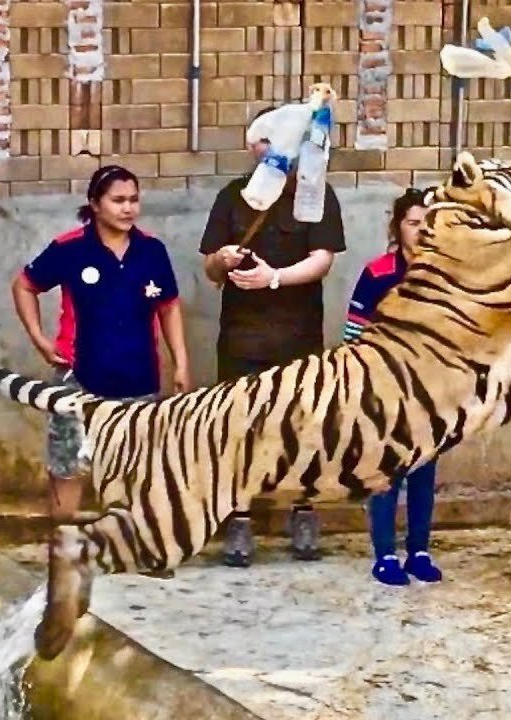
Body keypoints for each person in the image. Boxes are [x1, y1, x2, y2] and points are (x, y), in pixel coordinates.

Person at [199, 106, 348, 567]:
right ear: (255, 147)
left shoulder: (315, 195)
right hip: (242, 338)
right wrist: (223, 260)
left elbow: (323, 258)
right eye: (271, 144)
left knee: (303, 428)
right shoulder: (232, 197)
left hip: (297, 337)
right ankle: (239, 519)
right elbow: (208, 269)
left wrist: (275, 278)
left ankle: (302, 512)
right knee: (239, 428)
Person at [12, 164, 190, 524]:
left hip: (139, 380)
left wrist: (181, 363)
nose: (128, 208)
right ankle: (64, 548)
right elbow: (24, 286)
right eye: (118, 200)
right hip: (77, 381)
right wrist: (39, 339)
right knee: (68, 467)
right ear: (95, 204)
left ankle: (134, 548)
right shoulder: (69, 248)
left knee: (136, 471)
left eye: (134, 200)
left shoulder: (152, 250)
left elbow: (168, 307)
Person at [343, 188, 445, 585]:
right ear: (398, 227)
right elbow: (355, 332)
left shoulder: (446, 276)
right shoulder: (378, 272)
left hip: (433, 393)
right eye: (413, 223)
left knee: (423, 474)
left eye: (427, 224)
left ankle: (419, 549)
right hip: (385, 392)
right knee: (386, 474)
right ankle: (385, 555)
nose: (421, 231)